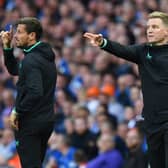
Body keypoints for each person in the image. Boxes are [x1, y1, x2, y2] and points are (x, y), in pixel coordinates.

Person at [84, 11, 168, 168]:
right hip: (152, 120)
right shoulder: (143, 51)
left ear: (166, 31)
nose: (149, 30)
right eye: (148, 27)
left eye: (155, 27)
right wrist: (104, 43)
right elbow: (123, 50)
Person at [0, 17, 57, 168]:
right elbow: (14, 70)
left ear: (32, 36)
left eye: (19, 32)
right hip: (45, 119)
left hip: (30, 122)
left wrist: (17, 111)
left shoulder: (31, 60)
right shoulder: (43, 56)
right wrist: (7, 48)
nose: (15, 36)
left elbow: (35, 92)